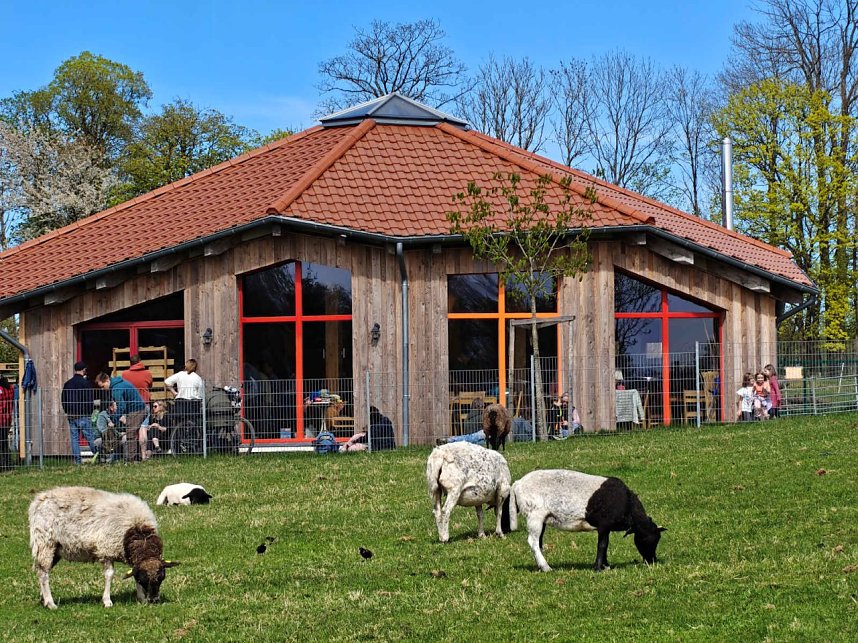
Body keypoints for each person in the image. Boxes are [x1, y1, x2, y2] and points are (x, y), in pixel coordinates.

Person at [95, 371, 148, 462]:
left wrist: (114, 420)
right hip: (138, 408)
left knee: (130, 435)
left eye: (102, 386)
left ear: (107, 380)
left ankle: (131, 460)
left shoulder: (116, 389)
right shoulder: (119, 383)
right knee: (132, 433)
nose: (102, 389)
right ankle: (136, 458)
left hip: (136, 410)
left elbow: (121, 406)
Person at [61, 361, 98, 465]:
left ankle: (77, 461)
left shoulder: (67, 384)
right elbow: (89, 399)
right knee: (90, 437)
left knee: (74, 439)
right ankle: (98, 455)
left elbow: (63, 399)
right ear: (84, 370)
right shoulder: (85, 383)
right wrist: (89, 411)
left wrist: (67, 410)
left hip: (71, 415)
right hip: (83, 414)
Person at [164, 358, 205, 438]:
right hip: (193, 403)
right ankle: (193, 438)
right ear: (195, 367)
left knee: (179, 423)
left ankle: (177, 442)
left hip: (181, 402)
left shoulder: (180, 374)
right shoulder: (197, 378)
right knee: (193, 423)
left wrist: (174, 392)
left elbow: (167, 382)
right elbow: (200, 394)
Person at [95, 399, 122, 463]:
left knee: (125, 439)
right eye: (116, 405)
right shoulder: (103, 415)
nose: (117, 407)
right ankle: (104, 459)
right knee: (99, 442)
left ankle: (125, 460)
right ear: (111, 408)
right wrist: (119, 433)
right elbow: (103, 431)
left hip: (116, 438)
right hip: (105, 439)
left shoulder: (118, 415)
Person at [0, 375, 14, 470]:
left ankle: (3, 464)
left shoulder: (0, 389)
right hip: (7, 420)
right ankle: (7, 464)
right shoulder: (10, 388)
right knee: (4, 442)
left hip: (1, 419)